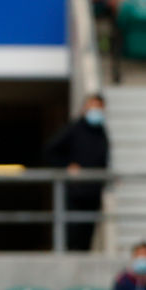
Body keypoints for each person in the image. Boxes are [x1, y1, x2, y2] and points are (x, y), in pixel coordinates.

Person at [45, 94, 110, 251]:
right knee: (72, 233)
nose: (95, 110)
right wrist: (67, 166)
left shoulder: (102, 132)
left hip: (93, 192)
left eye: (98, 107)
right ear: (84, 108)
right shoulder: (73, 129)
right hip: (74, 192)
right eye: (92, 106)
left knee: (86, 236)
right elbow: (50, 151)